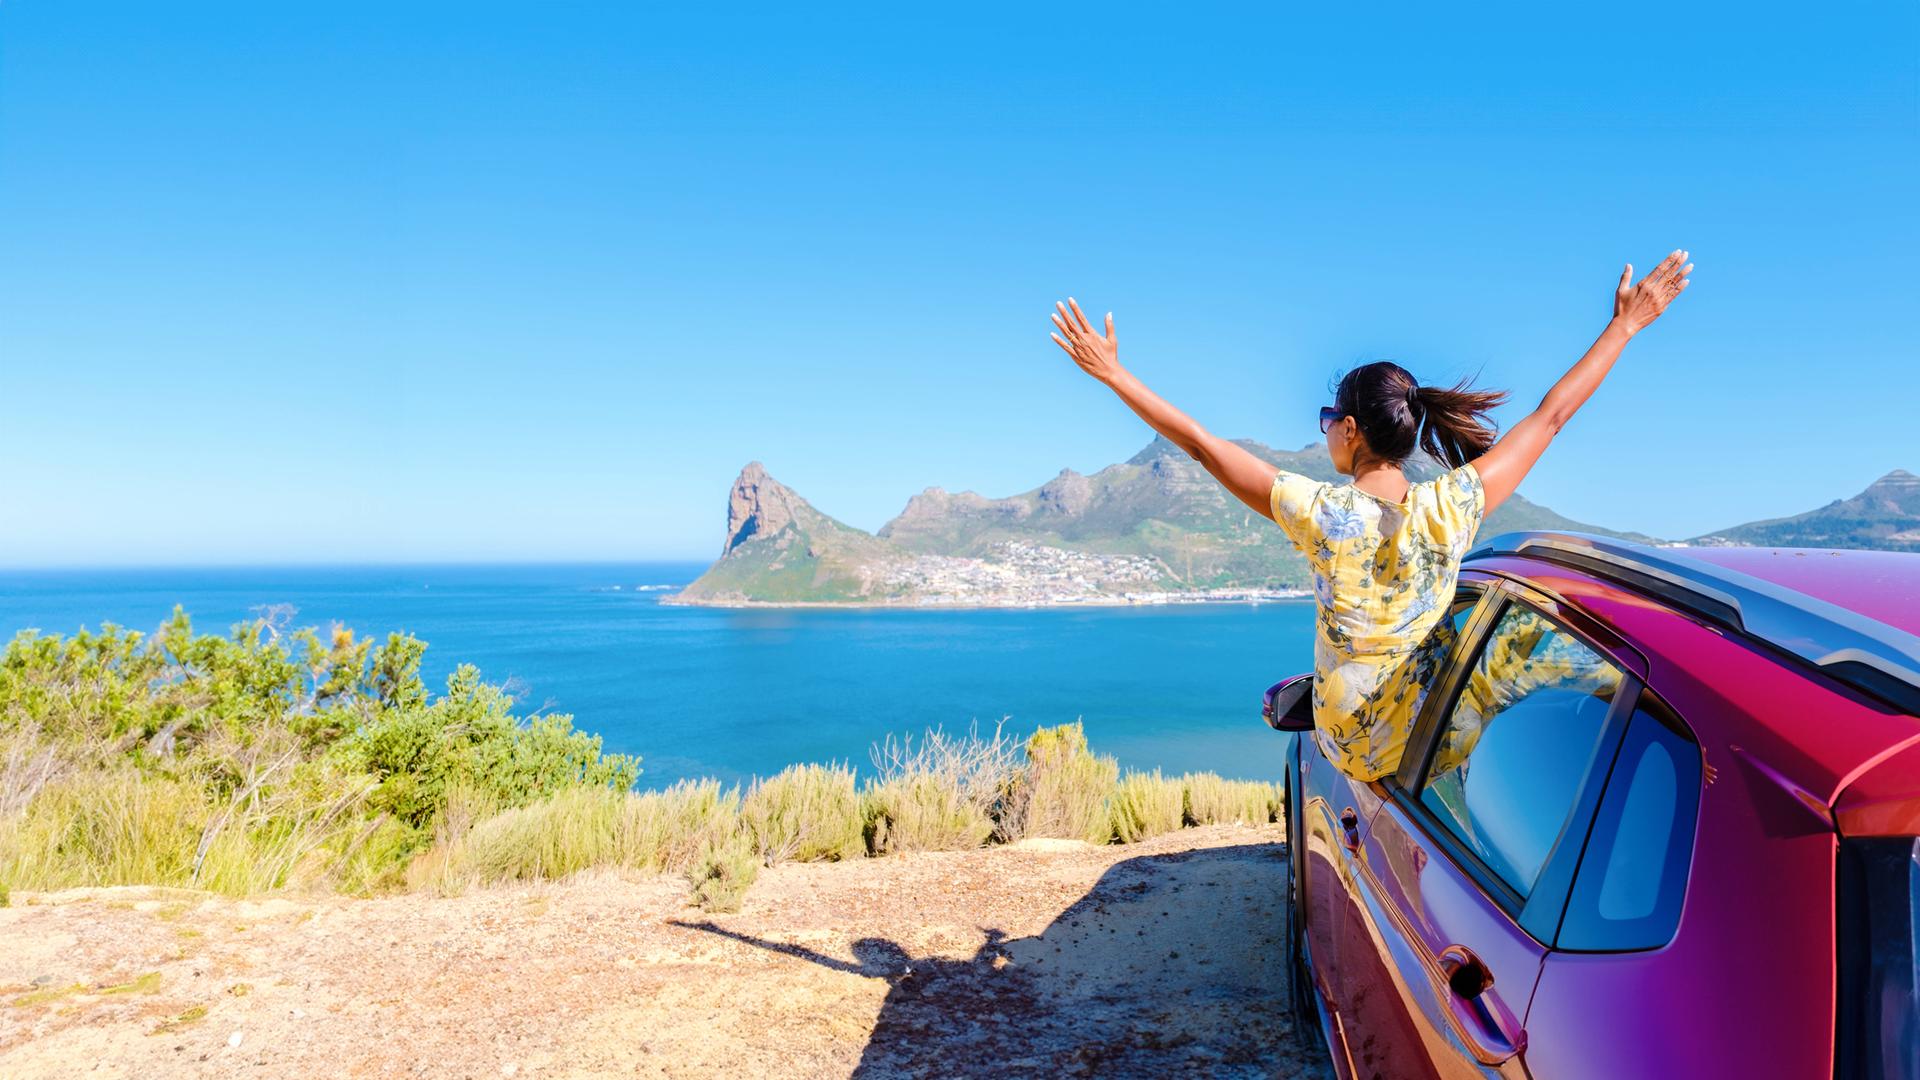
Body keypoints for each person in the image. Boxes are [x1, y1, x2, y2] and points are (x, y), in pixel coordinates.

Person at [1049, 249, 1694, 781]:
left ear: (1351, 430)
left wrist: (1113, 374)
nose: (1325, 430)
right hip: (1439, 739)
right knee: (1523, 637)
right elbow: (1550, 417)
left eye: (1328, 420)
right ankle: (1677, 711)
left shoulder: (1323, 514)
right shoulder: (1453, 505)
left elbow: (1201, 446)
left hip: (1360, 750)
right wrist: (1625, 327)